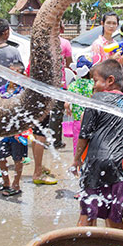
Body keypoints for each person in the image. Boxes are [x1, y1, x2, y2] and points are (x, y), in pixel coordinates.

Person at [71, 59, 123, 229]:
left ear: (110, 81)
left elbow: (84, 134)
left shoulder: (96, 100)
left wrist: (76, 159)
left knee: (87, 214)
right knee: (114, 216)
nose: (93, 86)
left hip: (96, 163)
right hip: (120, 168)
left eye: (95, 80)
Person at [0, 62, 27, 197]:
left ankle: (16, 184)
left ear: (21, 74)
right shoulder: (1, 90)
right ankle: (5, 182)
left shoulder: (24, 92)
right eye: (9, 72)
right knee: (0, 157)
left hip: (18, 131)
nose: (11, 76)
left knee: (17, 158)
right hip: (3, 130)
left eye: (15, 72)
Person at [49, 22, 74, 150]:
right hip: (60, 84)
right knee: (57, 114)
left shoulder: (44, 42)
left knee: (47, 113)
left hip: (45, 84)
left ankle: (46, 140)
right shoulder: (65, 43)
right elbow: (69, 65)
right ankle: (55, 142)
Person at [64, 56, 94, 155]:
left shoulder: (73, 85)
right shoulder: (93, 85)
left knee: (78, 147)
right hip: (91, 121)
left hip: (77, 122)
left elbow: (66, 104)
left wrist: (68, 109)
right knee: (90, 147)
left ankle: (78, 167)